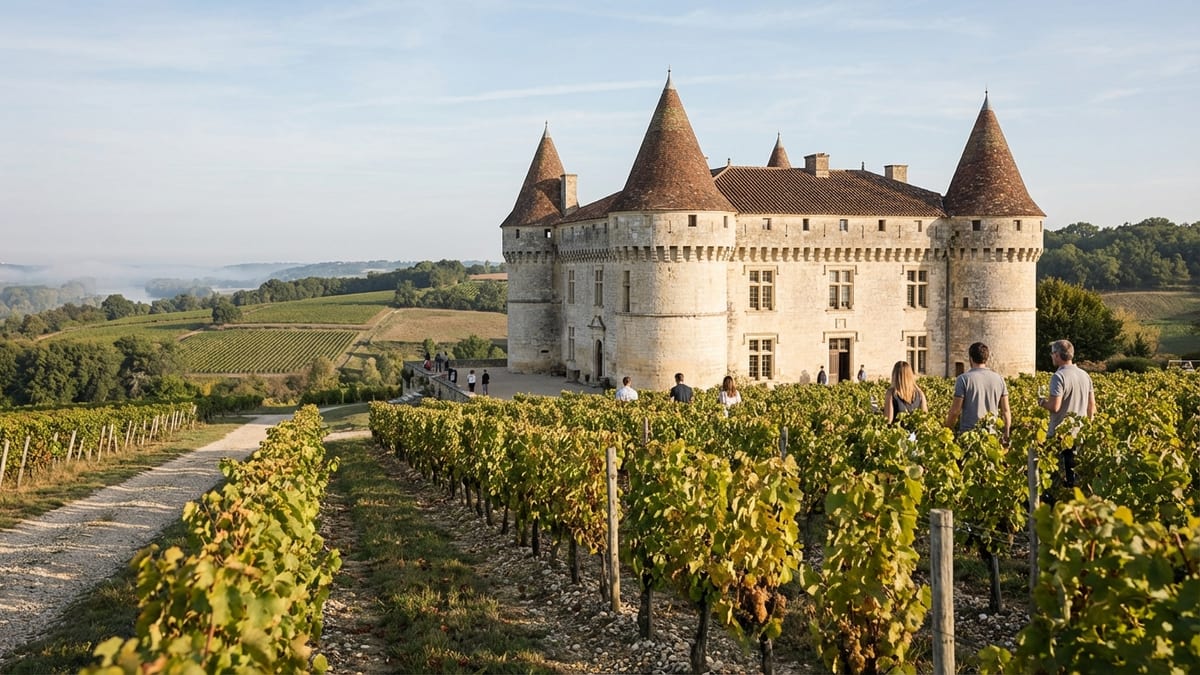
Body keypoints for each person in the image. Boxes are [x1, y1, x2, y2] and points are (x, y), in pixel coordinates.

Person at [1039, 340, 1097, 489]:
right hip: (1079, 433)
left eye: (1052, 353)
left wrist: (1042, 402)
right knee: (1076, 477)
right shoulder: (1085, 375)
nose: (1051, 356)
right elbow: (1092, 407)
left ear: (1058, 355)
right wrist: (1087, 428)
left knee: (1057, 478)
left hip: (1060, 434)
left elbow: (1055, 407)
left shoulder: (1058, 377)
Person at [945, 342, 1011, 443]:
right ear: (987, 358)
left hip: (969, 436)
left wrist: (947, 430)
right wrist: (1006, 434)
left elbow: (955, 411)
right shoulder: (999, 379)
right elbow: (1006, 411)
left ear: (970, 358)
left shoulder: (963, 379)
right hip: (992, 436)